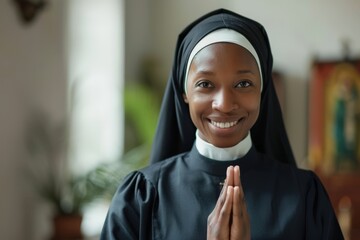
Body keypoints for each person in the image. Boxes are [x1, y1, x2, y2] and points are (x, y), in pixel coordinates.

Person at [101, 8, 343, 239]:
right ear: (184, 92)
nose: (225, 104)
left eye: (243, 84)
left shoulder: (305, 197)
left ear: (263, 90)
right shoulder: (142, 197)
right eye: (205, 84)